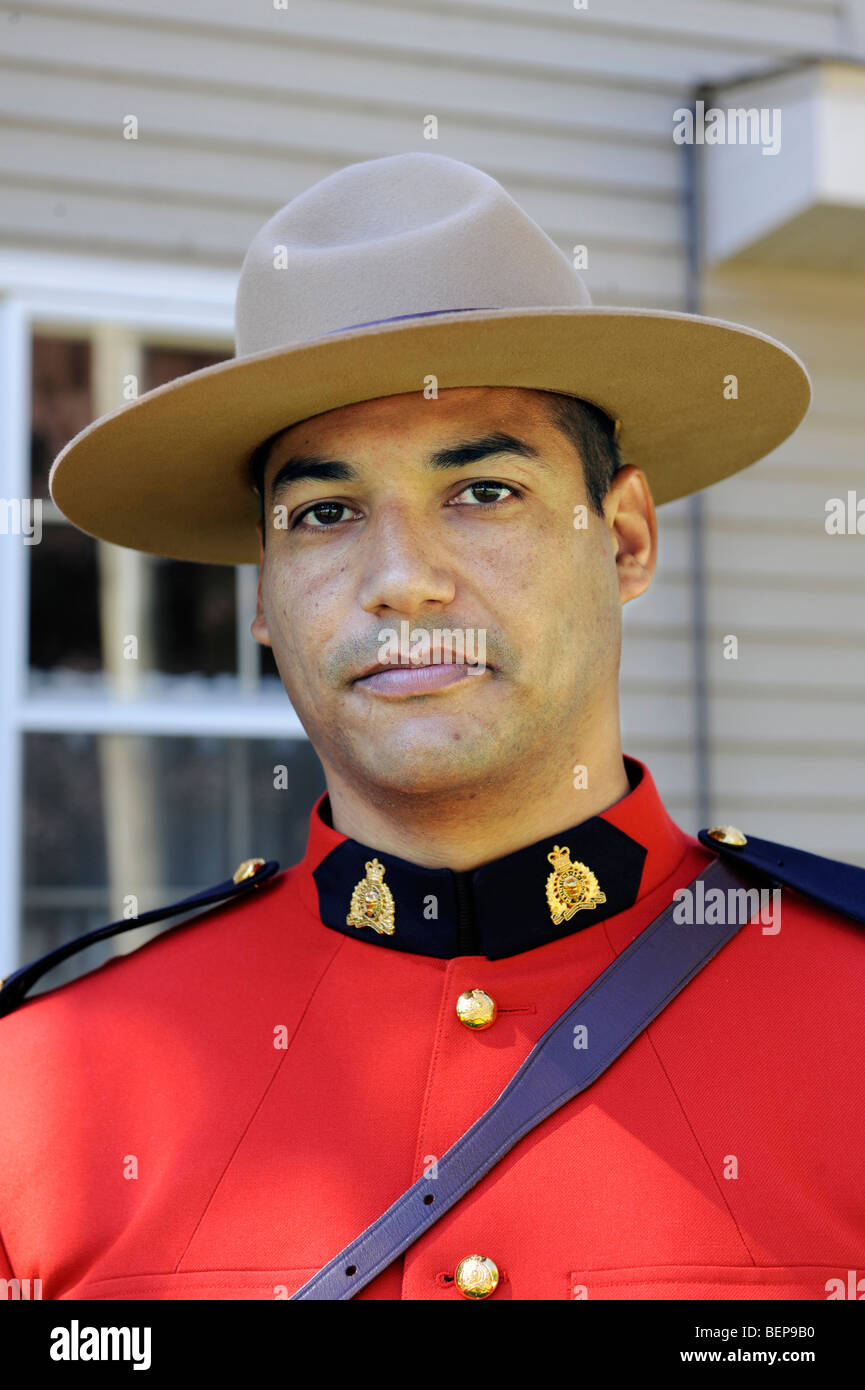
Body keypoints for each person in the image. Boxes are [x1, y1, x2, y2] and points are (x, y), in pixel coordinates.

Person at [1, 153, 862, 1302]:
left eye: (483, 492)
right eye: (326, 513)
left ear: (624, 540)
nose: (402, 581)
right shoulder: (47, 1095)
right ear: (263, 598)